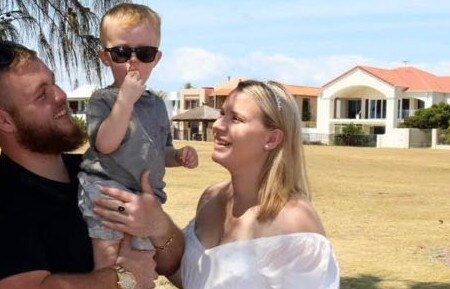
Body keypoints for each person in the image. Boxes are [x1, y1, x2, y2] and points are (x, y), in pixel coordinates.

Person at [0, 40, 183, 289]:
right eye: (41, 94)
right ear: (3, 119)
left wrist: (158, 225)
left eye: (53, 82)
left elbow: (172, 263)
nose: (61, 95)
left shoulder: (99, 169)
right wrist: (122, 278)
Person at [95, 80, 340, 288]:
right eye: (222, 113)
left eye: (236, 119)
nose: (218, 125)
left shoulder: (296, 223)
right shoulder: (211, 198)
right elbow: (190, 276)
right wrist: (156, 226)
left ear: (272, 138)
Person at [77, 3, 198, 270]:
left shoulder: (156, 105)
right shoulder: (103, 99)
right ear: (105, 57)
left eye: (144, 53)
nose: (133, 61)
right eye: (121, 53)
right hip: (107, 191)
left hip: (146, 198)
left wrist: (177, 156)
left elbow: (160, 151)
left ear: (156, 58)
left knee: (142, 262)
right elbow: (105, 144)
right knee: (111, 262)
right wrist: (125, 101)